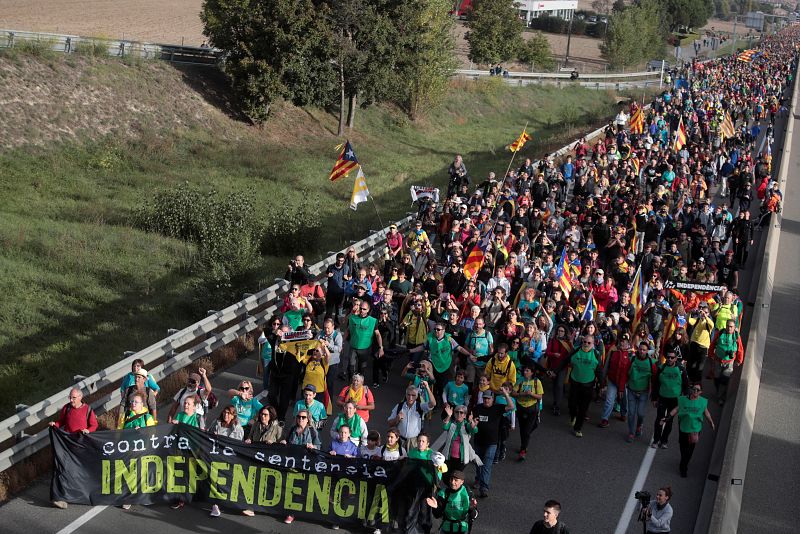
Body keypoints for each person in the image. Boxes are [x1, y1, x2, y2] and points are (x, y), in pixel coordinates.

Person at [50, 388, 98, 510]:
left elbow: (94, 425)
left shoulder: (88, 409)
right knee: (62, 468)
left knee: (78, 471)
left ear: (80, 397)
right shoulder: (67, 408)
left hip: (81, 445)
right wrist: (54, 425)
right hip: (67, 444)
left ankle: (82, 494)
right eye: (70, 397)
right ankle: (60, 497)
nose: (71, 400)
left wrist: (88, 430)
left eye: (74, 398)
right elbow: (61, 422)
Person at [552, 335, 602, 438]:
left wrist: (601, 385)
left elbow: (599, 370)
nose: (586, 344)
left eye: (589, 343)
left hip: (588, 385)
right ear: (582, 342)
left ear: (593, 344)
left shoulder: (596, 354)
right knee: (572, 404)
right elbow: (564, 361)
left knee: (583, 408)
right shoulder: (575, 351)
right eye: (584, 342)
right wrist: (555, 372)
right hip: (575, 383)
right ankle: (573, 415)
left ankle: (577, 428)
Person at [471, 386, 513, 498]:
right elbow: (472, 421)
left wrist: (505, 393)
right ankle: (478, 479)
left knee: (487, 465)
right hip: (479, 441)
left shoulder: (498, 408)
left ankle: (484, 488)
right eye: (485, 398)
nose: (486, 400)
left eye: (488, 398)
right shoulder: (477, 408)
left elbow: (511, 406)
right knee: (478, 463)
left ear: (492, 399)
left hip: (492, 443)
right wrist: (472, 423)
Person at [666, 383, 715, 477]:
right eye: (694, 389)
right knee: (683, 448)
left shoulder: (702, 402)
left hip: (695, 429)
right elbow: (676, 409)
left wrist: (711, 422)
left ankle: (683, 467)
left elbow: (706, 413)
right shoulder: (683, 399)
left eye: (698, 390)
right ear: (691, 389)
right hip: (683, 428)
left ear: (701, 392)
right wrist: (667, 417)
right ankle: (683, 462)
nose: (695, 391)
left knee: (690, 450)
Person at [651, 349, 688, 449]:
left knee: (669, 420)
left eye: (672, 357)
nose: (670, 359)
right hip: (663, 398)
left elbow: (686, 385)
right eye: (668, 357)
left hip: (675, 400)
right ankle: (656, 440)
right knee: (659, 419)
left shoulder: (681, 369)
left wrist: (685, 400)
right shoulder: (661, 368)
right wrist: (654, 398)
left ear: (676, 359)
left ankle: (664, 441)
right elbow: (656, 384)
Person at [431, 403, 481, 475]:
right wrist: (448, 415)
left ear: (464, 415)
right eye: (457, 412)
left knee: (456, 476)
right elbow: (445, 426)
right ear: (454, 414)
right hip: (448, 456)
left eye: (461, 412)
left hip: (461, 459)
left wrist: (472, 423)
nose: (459, 414)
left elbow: (474, 430)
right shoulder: (451, 424)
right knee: (446, 475)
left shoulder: (467, 425)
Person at [625, 342, 657, 443]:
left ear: (647, 351)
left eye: (644, 350)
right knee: (631, 413)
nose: (642, 351)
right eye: (640, 349)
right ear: (638, 350)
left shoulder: (651, 362)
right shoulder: (632, 359)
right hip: (631, 390)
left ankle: (639, 425)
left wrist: (654, 394)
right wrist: (622, 387)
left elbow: (655, 378)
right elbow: (626, 373)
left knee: (641, 414)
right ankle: (631, 432)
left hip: (643, 392)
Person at [427, 470, 476, 534]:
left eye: (456, 480)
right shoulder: (443, 493)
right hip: (446, 529)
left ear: (462, 482)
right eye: (451, 479)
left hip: (462, 530)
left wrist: (472, 509)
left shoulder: (468, 494)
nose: (452, 482)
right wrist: (435, 508)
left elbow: (474, 516)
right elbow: (437, 515)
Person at [708, 319, 744, 405]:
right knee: (716, 378)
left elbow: (740, 349)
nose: (729, 328)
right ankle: (718, 392)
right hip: (718, 360)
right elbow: (712, 344)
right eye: (727, 326)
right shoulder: (720, 333)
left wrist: (739, 360)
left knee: (725, 380)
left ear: (734, 327)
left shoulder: (736, 336)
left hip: (729, 362)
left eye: (731, 326)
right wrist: (711, 354)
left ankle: (721, 398)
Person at [345, 300, 384, 380]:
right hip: (353, 347)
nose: (362, 310)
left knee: (361, 370)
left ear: (368, 310)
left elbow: (378, 334)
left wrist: (381, 348)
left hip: (365, 349)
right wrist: (342, 342)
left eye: (364, 309)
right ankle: (350, 386)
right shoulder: (352, 318)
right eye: (361, 308)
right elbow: (348, 330)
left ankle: (360, 387)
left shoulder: (373, 321)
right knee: (351, 368)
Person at [388, 384, 435, 448]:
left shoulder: (420, 406)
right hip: (400, 440)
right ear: (406, 395)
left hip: (414, 441)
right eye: (408, 395)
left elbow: (433, 403)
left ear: (417, 396)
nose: (410, 398)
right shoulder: (399, 406)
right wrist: (397, 418)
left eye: (413, 395)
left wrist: (427, 388)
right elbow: (390, 423)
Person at [513, 365, 543, 460]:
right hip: (521, 407)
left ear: (532, 372)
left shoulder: (536, 382)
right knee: (523, 429)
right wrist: (522, 394)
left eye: (527, 370)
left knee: (527, 430)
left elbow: (540, 396)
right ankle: (524, 446)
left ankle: (523, 451)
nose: (525, 372)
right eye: (524, 370)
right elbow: (513, 393)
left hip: (532, 408)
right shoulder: (520, 380)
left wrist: (531, 394)